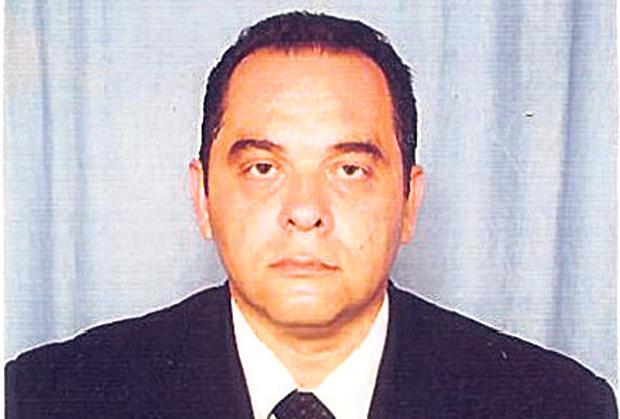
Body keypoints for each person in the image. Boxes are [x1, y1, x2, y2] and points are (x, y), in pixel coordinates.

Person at [5, 11, 616, 419]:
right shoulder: (49, 398)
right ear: (202, 198)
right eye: (262, 168)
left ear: (409, 202)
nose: (304, 212)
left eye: (349, 170)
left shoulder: (555, 405)